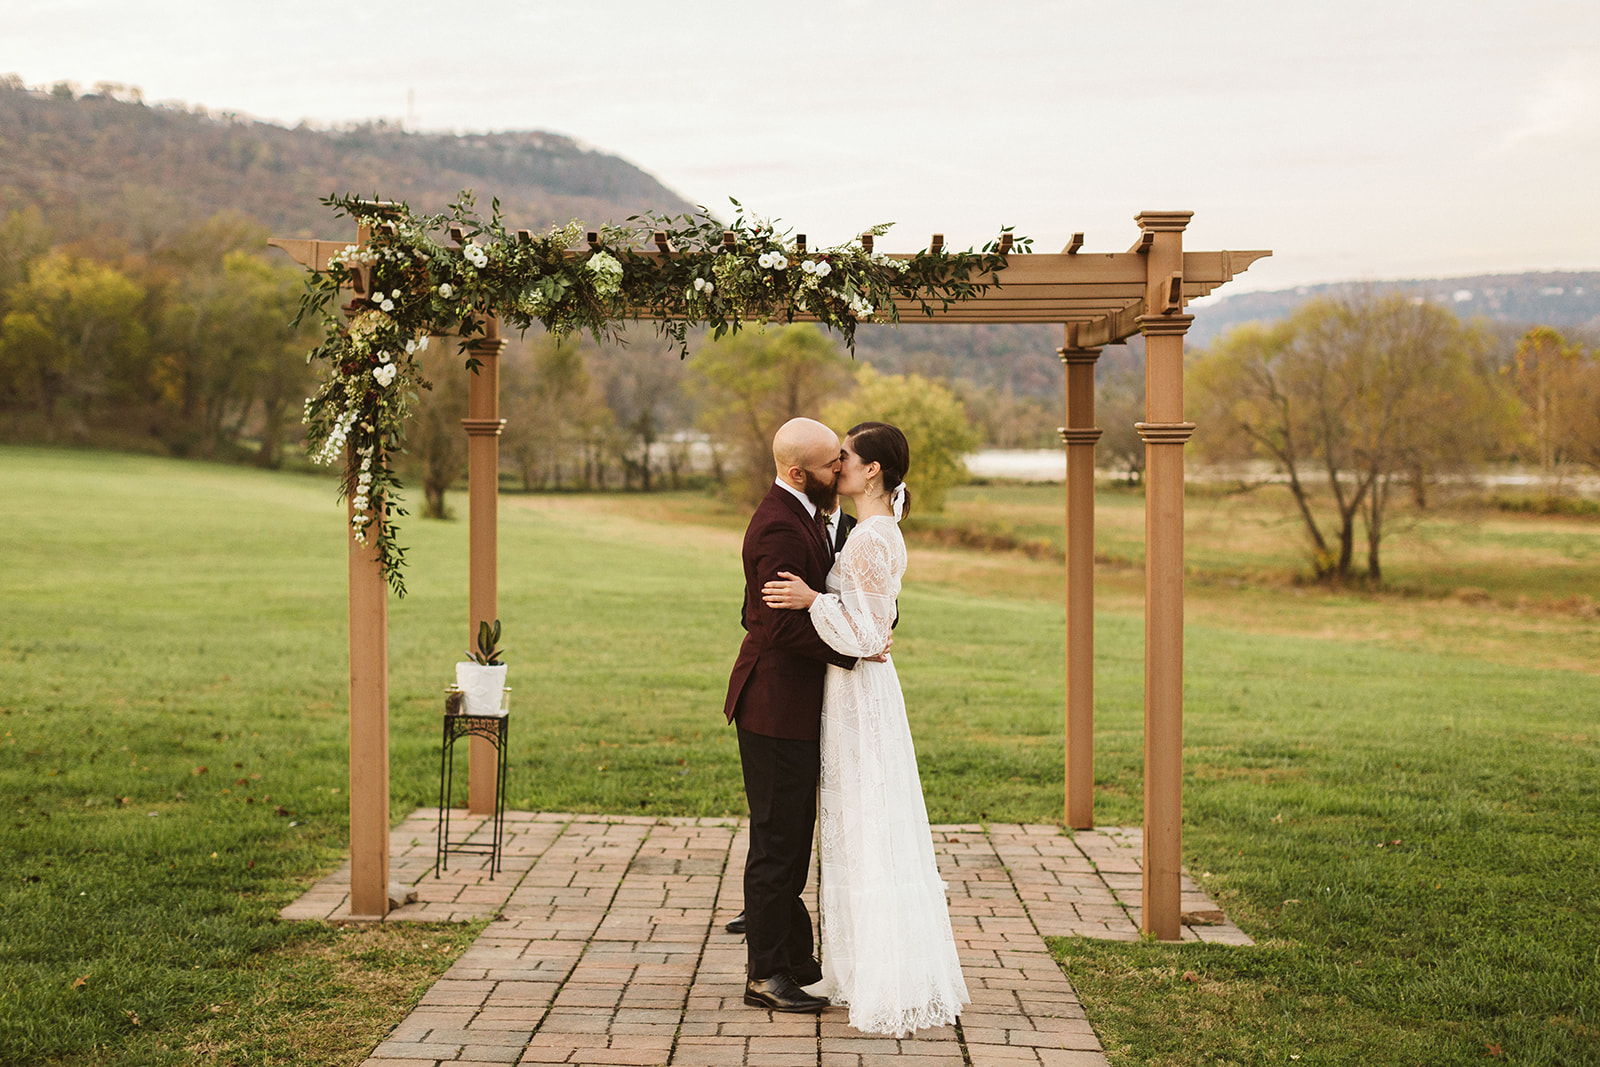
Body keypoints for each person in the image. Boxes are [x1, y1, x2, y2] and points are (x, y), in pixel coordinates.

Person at [761, 421, 969, 1038]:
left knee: (870, 822)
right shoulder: (867, 531)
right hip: (846, 691)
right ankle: (852, 965)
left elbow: (871, 637)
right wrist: (824, 601)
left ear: (872, 469)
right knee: (852, 823)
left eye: (845, 457)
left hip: (862, 695)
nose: (837, 465)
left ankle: (883, 973)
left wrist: (811, 600)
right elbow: (876, 617)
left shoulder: (874, 537)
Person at [723, 417, 862, 1014]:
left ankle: (796, 957)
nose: (843, 469)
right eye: (834, 462)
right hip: (775, 707)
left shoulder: (811, 515)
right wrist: (855, 646)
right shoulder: (780, 525)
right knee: (778, 844)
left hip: (795, 704)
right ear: (799, 471)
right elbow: (779, 623)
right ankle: (765, 974)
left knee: (790, 837)